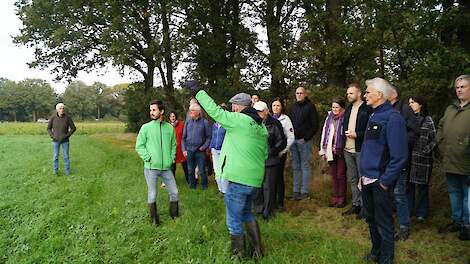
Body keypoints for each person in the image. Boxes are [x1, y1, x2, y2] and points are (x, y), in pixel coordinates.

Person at [184, 80, 268, 259]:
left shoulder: (238, 120)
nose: (231, 110)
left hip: (239, 179)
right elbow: (265, 154)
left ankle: (238, 255)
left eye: (232, 107)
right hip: (254, 180)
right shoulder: (260, 126)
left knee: (233, 219)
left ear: (238, 108)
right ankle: (258, 251)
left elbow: (214, 111)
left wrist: (198, 91)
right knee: (246, 213)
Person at [359, 77, 408, 264]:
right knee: (371, 219)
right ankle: (376, 252)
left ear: (379, 94)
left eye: (368, 92)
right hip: (366, 179)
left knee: (384, 222)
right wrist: (361, 176)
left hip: (380, 181)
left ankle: (387, 259)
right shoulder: (373, 115)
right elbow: (369, 148)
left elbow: (400, 156)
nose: (365, 95)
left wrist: (385, 181)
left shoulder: (393, 118)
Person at [135, 100, 179, 226]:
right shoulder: (146, 128)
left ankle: (174, 215)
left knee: (174, 192)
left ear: (162, 111)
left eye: (154, 110)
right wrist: (147, 158)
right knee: (152, 194)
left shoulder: (169, 128)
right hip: (151, 168)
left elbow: (173, 145)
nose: (152, 112)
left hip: (166, 168)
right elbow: (139, 146)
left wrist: (171, 159)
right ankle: (155, 219)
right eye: (151, 110)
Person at [437, 74, 470, 240]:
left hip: (466, 162)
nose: (459, 90)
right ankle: (456, 221)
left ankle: (467, 225)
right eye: (457, 87)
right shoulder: (451, 108)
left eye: (463, 86)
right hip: (449, 160)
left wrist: (465, 144)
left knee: (468, 195)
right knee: (454, 192)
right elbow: (441, 126)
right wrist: (440, 142)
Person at [388, 85, 420, 241]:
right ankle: (388, 225)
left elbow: (414, 132)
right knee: (388, 193)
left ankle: (404, 227)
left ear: (393, 94)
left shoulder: (405, 109)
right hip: (386, 160)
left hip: (400, 158)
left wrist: (398, 143)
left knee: (399, 193)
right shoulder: (384, 109)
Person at [253, 101, 287, 220]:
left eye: (261, 111)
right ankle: (258, 209)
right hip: (256, 160)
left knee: (269, 187)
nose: (258, 113)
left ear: (266, 111)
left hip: (271, 161)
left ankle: (268, 212)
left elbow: (282, 141)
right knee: (257, 186)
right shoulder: (252, 123)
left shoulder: (275, 123)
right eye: (256, 111)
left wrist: (272, 151)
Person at [342, 83, 372, 217]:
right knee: (353, 179)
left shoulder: (367, 109)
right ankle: (356, 204)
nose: (348, 96)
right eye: (347, 93)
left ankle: (366, 208)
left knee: (363, 179)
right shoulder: (348, 109)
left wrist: (357, 135)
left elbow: (371, 130)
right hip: (347, 149)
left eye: (351, 93)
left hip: (361, 149)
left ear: (359, 94)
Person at [407, 96, 436, 221]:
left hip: (423, 160)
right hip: (409, 158)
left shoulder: (428, 120)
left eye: (413, 102)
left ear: (421, 104)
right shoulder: (409, 119)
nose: (410, 105)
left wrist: (426, 151)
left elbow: (435, 139)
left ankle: (422, 213)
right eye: (409, 103)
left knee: (422, 187)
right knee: (409, 186)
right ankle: (409, 210)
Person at [288, 85, 319, 200]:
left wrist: (306, 138)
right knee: (295, 166)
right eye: (297, 93)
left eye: (301, 93)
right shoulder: (293, 107)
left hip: (304, 142)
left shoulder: (310, 107)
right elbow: (289, 124)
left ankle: (304, 192)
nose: (299, 95)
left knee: (304, 166)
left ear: (305, 94)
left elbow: (315, 125)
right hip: (293, 141)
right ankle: (296, 192)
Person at [319, 97, 347, 208]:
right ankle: (335, 197)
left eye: (337, 107)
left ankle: (342, 198)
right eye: (333, 107)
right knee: (334, 175)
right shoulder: (329, 118)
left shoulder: (345, 117)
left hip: (340, 150)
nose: (335, 109)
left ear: (341, 107)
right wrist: (323, 148)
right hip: (330, 150)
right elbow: (324, 132)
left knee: (341, 174)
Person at [271, 98, 295, 210]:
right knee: (271, 178)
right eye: (274, 105)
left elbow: (290, 138)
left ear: (281, 107)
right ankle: (271, 200)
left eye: (278, 105)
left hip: (280, 153)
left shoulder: (286, 119)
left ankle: (280, 203)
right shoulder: (269, 118)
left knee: (279, 177)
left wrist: (282, 151)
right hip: (271, 153)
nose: (275, 108)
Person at [182, 103, 212, 190]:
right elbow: (183, 138)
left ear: (198, 112)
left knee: (202, 170)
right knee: (190, 170)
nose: (190, 112)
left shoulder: (205, 122)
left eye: (192, 111)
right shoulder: (188, 122)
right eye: (190, 111)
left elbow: (209, 137)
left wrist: (204, 147)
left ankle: (204, 187)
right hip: (189, 150)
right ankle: (192, 187)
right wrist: (184, 150)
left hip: (200, 151)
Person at [47, 103, 76, 176]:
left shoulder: (68, 118)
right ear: (57, 110)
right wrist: (52, 136)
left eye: (63, 108)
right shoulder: (53, 118)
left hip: (65, 141)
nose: (62, 110)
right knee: (55, 157)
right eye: (60, 108)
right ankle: (55, 172)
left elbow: (73, 128)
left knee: (66, 157)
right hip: (55, 141)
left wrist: (67, 136)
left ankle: (67, 172)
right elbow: (48, 128)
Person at [210, 104, 227, 194]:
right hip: (214, 150)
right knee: (216, 171)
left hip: (223, 151)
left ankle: (225, 190)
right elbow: (212, 136)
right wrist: (211, 146)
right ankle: (220, 189)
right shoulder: (214, 124)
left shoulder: (226, 125)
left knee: (223, 171)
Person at [169, 112, 188, 183]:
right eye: (171, 117)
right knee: (172, 167)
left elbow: (185, 135)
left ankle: (189, 180)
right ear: (169, 118)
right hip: (173, 149)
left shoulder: (181, 124)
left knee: (185, 165)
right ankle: (171, 181)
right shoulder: (168, 126)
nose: (172, 118)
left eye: (173, 116)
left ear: (176, 117)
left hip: (181, 148)